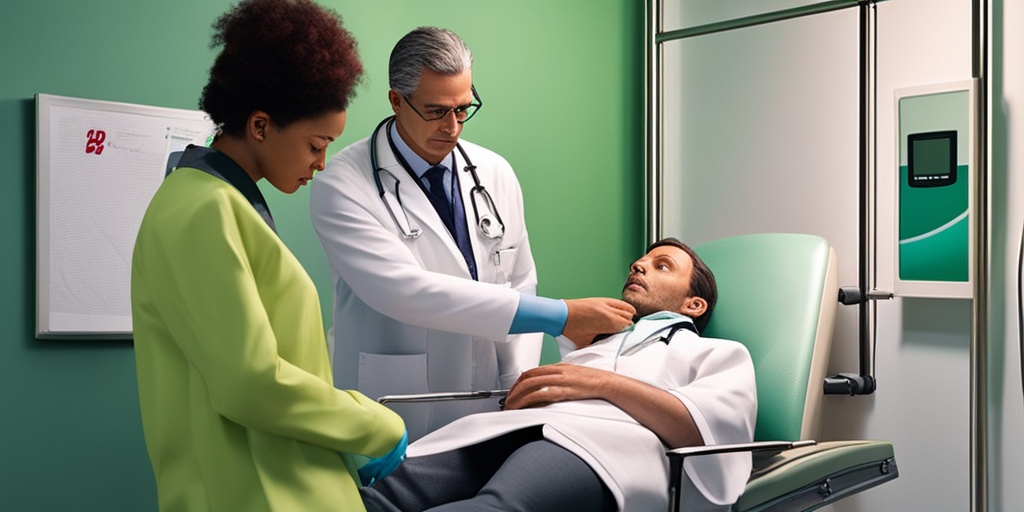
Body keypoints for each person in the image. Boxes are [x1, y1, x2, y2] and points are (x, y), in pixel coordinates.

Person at [130, 1, 406, 511]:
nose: (321, 164)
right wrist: (376, 425)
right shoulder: (201, 211)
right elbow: (249, 384)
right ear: (260, 126)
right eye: (316, 145)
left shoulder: (223, 203)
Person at [309, 26, 635, 440]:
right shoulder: (342, 183)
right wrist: (563, 316)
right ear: (396, 100)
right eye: (436, 110)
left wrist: (520, 377)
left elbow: (520, 280)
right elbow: (404, 291)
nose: (452, 126)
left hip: (491, 399)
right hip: (395, 404)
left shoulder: (494, 171)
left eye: (463, 108)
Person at [359, 238, 758, 512]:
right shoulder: (592, 345)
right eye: (642, 261)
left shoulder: (717, 353)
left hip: (599, 445)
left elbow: (705, 432)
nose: (639, 265)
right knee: (373, 498)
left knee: (494, 508)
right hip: (507, 429)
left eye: (662, 265)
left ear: (694, 303)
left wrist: (601, 384)